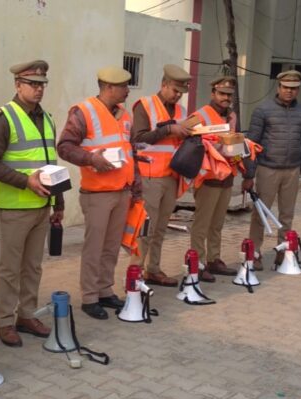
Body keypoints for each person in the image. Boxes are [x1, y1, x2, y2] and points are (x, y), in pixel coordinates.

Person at [0, 60, 60, 347]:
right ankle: (4, 322)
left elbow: (50, 162)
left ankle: (26, 315)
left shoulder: (47, 118)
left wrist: (59, 201)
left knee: (33, 266)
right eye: (32, 84)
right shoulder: (2, 118)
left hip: (42, 205)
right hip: (15, 206)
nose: (38, 89)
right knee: (10, 268)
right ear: (17, 85)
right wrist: (26, 182)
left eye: (42, 84)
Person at [57, 66, 138, 319]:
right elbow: (65, 147)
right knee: (95, 247)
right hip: (97, 193)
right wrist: (91, 159)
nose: (127, 91)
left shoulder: (124, 114)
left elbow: (130, 150)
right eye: (124, 86)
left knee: (111, 246)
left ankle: (105, 290)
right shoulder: (83, 112)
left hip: (122, 190)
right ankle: (90, 297)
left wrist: (135, 187)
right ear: (108, 87)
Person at [187, 76, 254, 281]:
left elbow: (236, 142)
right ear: (213, 93)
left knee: (217, 224)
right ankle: (197, 264)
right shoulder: (200, 115)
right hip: (208, 178)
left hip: (226, 178)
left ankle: (213, 259)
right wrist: (214, 148)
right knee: (202, 224)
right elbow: (188, 141)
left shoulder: (231, 116)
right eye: (222, 94)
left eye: (229, 95)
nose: (226, 98)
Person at [130, 64, 191, 287]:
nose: (177, 96)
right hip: (149, 177)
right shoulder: (144, 105)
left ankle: (153, 270)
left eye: (181, 92)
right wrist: (168, 130)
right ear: (164, 84)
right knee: (145, 229)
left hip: (172, 176)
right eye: (175, 91)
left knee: (160, 228)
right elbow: (138, 139)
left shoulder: (181, 112)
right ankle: (135, 273)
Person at [245, 70, 301, 270]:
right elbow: (251, 145)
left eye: (294, 88)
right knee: (260, 214)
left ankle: (283, 252)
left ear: (298, 90)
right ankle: (254, 253)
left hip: (292, 170)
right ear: (278, 87)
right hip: (267, 169)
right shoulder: (263, 110)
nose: (289, 91)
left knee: (287, 215)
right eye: (286, 87)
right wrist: (249, 175)